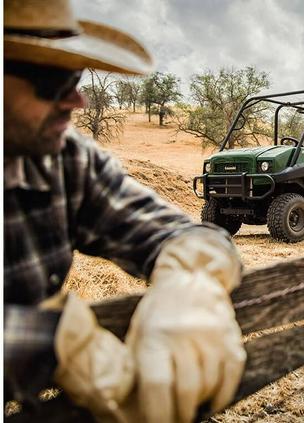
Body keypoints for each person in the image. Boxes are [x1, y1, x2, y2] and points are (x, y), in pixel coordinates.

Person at [4, 1, 245, 422]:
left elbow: (176, 231)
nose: (76, 100)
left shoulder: (61, 160)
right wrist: (55, 341)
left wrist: (190, 281)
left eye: (74, 77)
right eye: (52, 79)